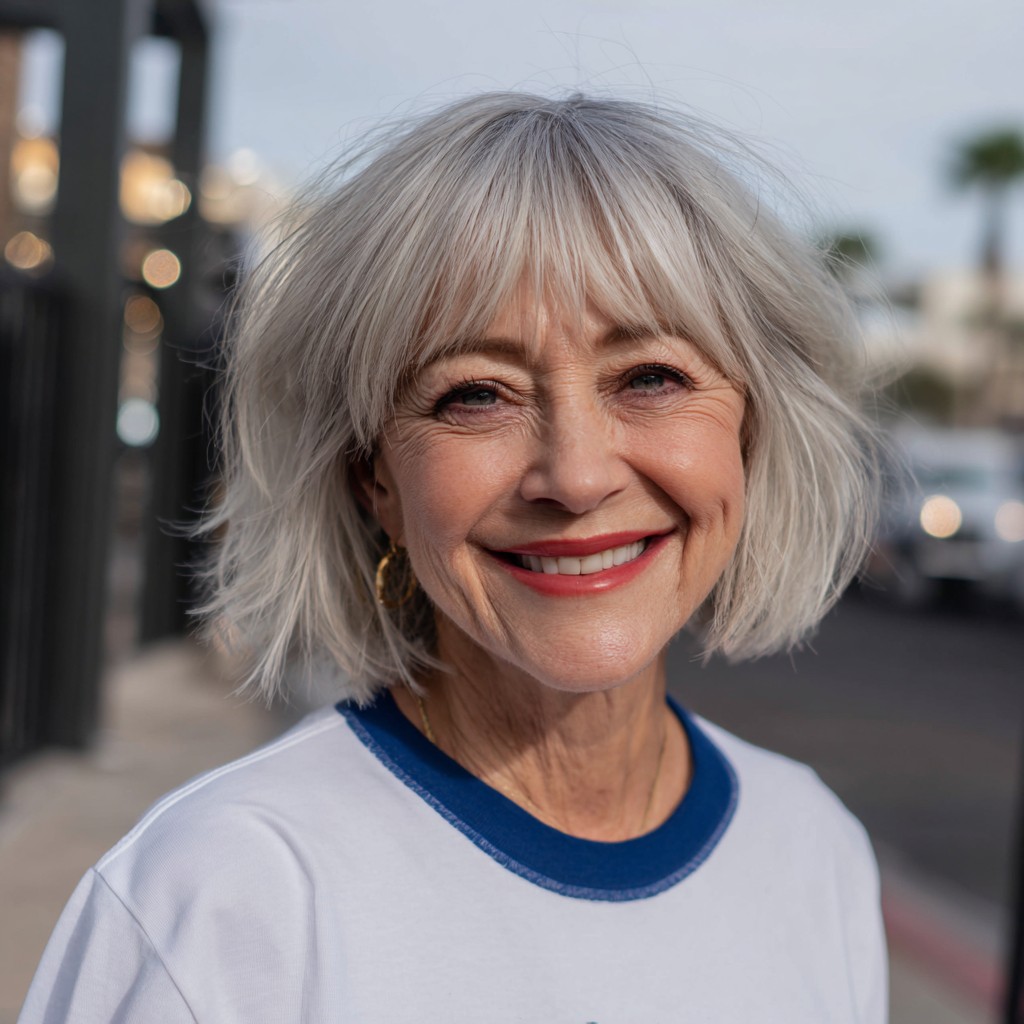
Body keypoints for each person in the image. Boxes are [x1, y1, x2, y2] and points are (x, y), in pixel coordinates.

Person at [21, 92, 887, 1022]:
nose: (578, 476)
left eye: (651, 378)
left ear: (753, 435)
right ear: (373, 478)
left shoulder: (813, 848)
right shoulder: (223, 894)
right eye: (476, 395)